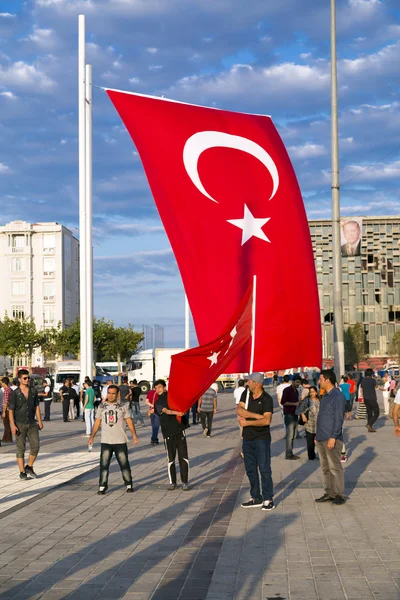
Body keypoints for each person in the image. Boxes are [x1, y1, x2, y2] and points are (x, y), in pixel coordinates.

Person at [88, 384, 139, 494]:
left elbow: (129, 421)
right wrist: (92, 436)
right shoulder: (102, 406)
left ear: (118, 394)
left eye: (113, 393)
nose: (110, 396)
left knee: (124, 463)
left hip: (120, 440)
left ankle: (129, 484)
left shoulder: (122, 406)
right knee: (104, 464)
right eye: (109, 393)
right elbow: (97, 422)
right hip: (106, 440)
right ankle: (102, 486)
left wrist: (134, 435)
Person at [236, 372, 274, 511]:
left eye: (249, 382)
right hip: (247, 439)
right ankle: (256, 497)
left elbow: (267, 421)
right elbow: (239, 410)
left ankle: (268, 498)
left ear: (256, 383)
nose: (247, 384)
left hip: (262, 439)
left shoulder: (267, 399)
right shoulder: (246, 395)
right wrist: (256, 416)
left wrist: (248, 422)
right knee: (250, 470)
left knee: (264, 469)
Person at [315, 370, 346, 505]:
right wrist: (317, 435)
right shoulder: (325, 396)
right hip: (322, 437)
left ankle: (339, 494)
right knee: (325, 467)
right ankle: (329, 492)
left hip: (332, 437)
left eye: (320, 379)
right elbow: (322, 417)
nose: (319, 381)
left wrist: (333, 437)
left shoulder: (337, 396)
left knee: (335, 467)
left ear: (327, 380)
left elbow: (339, 418)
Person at [154, 379, 190, 491]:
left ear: (164, 387)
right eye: (156, 388)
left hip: (179, 430)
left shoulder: (173, 397)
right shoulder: (158, 403)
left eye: (159, 387)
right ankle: (172, 482)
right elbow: (166, 411)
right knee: (171, 458)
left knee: (183, 457)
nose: (157, 390)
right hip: (168, 433)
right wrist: (177, 413)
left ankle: (185, 482)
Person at [8, 369, 43, 480]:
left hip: (32, 423)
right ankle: (22, 472)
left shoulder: (33, 391)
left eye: (28, 378)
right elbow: (11, 411)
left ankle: (29, 466)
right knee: (21, 448)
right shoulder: (15, 393)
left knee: (36, 446)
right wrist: (13, 425)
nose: (27, 380)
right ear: (19, 379)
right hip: (19, 424)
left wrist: (40, 420)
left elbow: (36, 406)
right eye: (25, 378)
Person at [281, 375, 302, 459]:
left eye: (299, 382)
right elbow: (283, 402)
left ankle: (291, 452)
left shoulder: (296, 391)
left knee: (293, 435)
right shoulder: (287, 390)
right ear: (292, 381)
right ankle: (288, 454)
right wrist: (294, 404)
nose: (298, 384)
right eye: (297, 382)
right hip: (289, 415)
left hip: (295, 414)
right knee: (289, 435)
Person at [301, 386, 320, 461]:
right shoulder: (307, 400)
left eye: (313, 392)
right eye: (310, 392)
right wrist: (303, 416)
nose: (312, 393)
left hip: (318, 423)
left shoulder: (319, 400)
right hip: (309, 423)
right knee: (310, 441)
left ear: (316, 392)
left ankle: (320, 454)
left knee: (318, 440)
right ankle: (311, 456)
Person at [1, 377, 13, 443]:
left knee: (6, 424)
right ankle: (6, 437)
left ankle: (8, 438)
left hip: (7, 409)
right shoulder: (10, 389)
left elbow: (5, 402)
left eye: (2, 383)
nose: (1, 384)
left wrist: (3, 412)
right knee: (7, 424)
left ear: (4, 383)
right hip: (10, 409)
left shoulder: (6, 391)